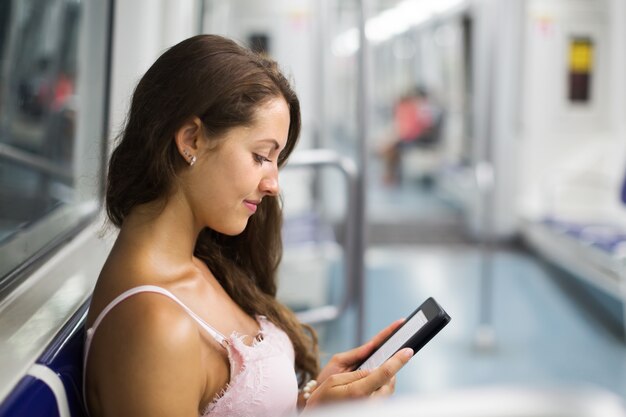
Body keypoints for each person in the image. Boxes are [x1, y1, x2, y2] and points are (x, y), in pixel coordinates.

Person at [83, 34, 413, 417]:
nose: (273, 184)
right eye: (260, 156)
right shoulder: (154, 329)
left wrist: (311, 399)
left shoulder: (194, 264)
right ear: (192, 140)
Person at [379, 86, 439, 185]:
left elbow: (422, 127)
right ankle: (391, 175)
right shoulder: (417, 108)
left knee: (392, 148)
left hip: (420, 138)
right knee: (392, 147)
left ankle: (390, 176)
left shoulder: (423, 109)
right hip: (413, 136)